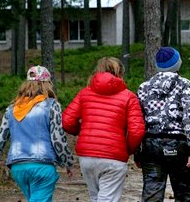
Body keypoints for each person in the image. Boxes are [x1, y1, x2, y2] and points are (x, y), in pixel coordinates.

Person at [0, 65, 74, 202]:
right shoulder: (51, 105)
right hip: (42, 167)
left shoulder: (12, 109)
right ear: (47, 84)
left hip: (18, 168)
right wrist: (68, 162)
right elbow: (58, 139)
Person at [62, 57, 145, 202]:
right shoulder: (129, 97)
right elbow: (136, 130)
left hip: (86, 156)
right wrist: (127, 149)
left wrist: (83, 132)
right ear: (120, 72)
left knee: (96, 198)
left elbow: (67, 121)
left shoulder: (84, 93)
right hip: (113, 157)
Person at [134, 47, 190, 202]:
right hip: (178, 144)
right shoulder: (184, 84)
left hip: (151, 145)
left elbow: (138, 120)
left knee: (152, 191)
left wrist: (137, 151)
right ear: (178, 63)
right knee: (184, 192)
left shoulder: (144, 87)